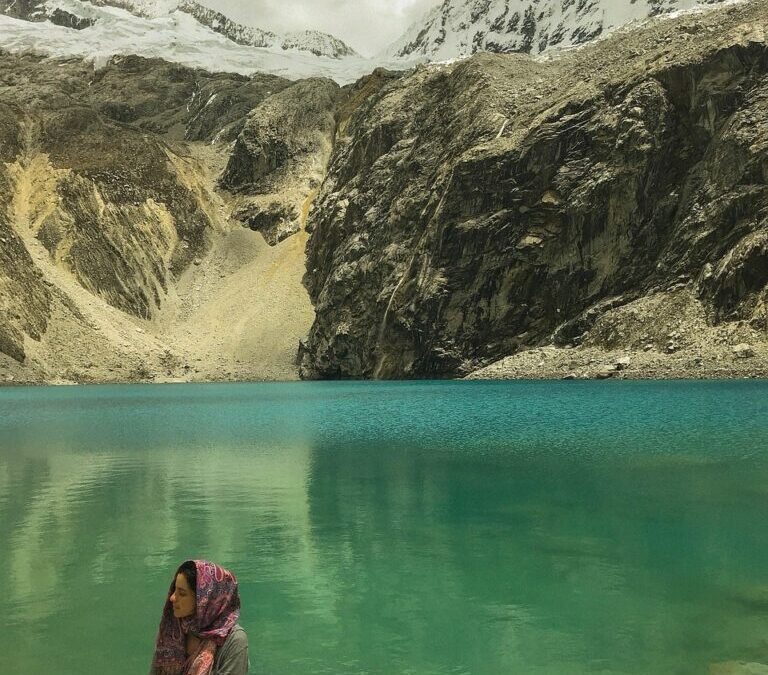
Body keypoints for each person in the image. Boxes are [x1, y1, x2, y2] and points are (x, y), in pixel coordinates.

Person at [150, 560, 249, 675]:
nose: (172, 598)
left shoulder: (234, 640)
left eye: (182, 594)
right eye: (174, 590)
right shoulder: (171, 631)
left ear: (204, 600)